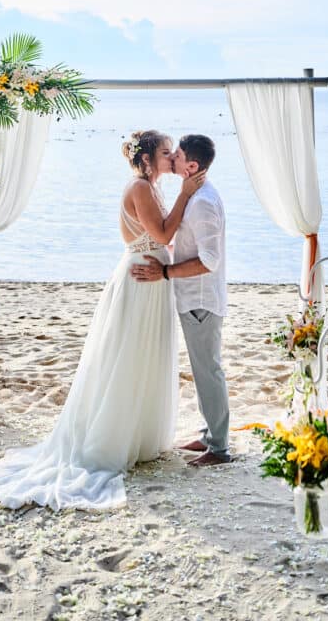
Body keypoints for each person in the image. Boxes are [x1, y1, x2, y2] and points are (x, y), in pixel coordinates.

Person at [0, 129, 205, 511]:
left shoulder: (152, 187)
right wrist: (186, 195)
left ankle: (139, 434)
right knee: (129, 356)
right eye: (166, 152)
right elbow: (163, 233)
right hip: (140, 281)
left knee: (145, 356)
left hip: (151, 279)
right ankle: (113, 437)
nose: (172, 157)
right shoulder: (140, 189)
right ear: (147, 158)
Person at [132, 134, 230, 466]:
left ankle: (219, 448)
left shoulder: (202, 202)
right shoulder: (194, 194)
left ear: (191, 166)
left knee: (208, 371)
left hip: (201, 298)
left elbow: (210, 261)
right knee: (203, 370)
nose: (171, 156)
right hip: (193, 297)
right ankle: (209, 435)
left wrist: (166, 272)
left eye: (177, 154)